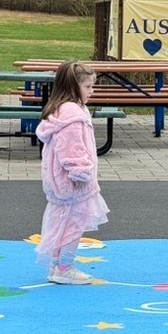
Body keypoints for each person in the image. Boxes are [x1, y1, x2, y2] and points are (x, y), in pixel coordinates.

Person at [35, 60, 110, 285]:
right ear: (73, 87)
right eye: (88, 86)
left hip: (61, 181)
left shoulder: (63, 110)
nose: (92, 91)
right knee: (73, 225)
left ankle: (57, 265)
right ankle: (65, 267)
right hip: (73, 183)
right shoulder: (72, 114)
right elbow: (72, 149)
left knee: (63, 224)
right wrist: (81, 173)